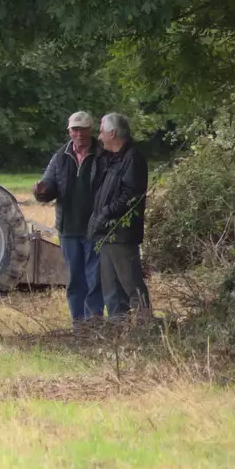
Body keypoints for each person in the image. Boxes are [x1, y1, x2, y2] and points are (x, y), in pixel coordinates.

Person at [33, 111, 106, 323]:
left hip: (96, 227)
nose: (79, 134)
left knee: (95, 278)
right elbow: (48, 187)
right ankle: (79, 323)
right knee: (76, 279)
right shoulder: (60, 156)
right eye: (75, 129)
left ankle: (95, 320)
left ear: (90, 130)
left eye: (83, 129)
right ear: (69, 131)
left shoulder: (103, 155)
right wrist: (41, 190)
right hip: (69, 229)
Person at [90, 112, 151, 319]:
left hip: (122, 234)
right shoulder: (114, 158)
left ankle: (146, 328)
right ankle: (118, 334)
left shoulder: (133, 158)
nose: (99, 137)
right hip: (107, 233)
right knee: (112, 291)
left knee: (131, 284)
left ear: (113, 133)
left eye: (101, 132)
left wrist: (106, 213)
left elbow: (130, 195)